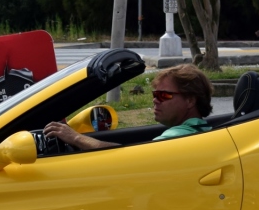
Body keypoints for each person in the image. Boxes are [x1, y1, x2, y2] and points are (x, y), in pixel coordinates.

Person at [43, 64, 213, 151]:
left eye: (164, 95)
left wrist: (76, 138)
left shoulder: (178, 136)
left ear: (190, 100)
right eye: (155, 95)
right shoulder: (200, 129)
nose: (155, 100)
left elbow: (128, 158)